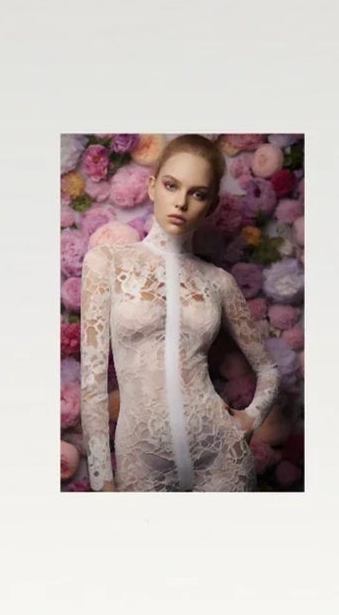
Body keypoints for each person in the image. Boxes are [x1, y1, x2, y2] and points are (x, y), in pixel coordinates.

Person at [78, 135, 280, 491]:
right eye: (172, 186)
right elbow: (92, 384)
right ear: (153, 187)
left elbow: (268, 369)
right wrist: (101, 481)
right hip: (142, 460)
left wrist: (251, 417)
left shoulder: (219, 282)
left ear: (212, 205)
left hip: (221, 455)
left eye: (198, 193)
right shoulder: (107, 263)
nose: (182, 202)